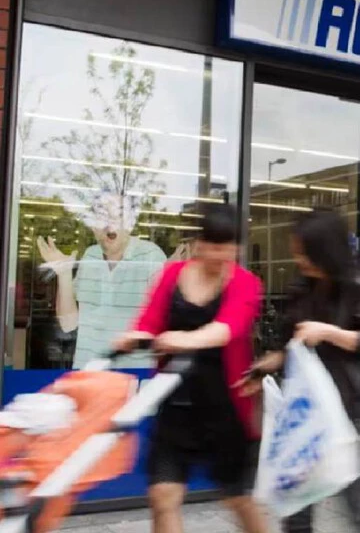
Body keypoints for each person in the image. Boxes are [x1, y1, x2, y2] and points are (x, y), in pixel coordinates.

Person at [113, 203, 268, 533]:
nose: (219, 254)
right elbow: (149, 322)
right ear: (199, 244)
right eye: (213, 246)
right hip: (175, 406)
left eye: (227, 247)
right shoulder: (172, 275)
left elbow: (228, 328)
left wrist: (182, 340)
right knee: (163, 496)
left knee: (237, 498)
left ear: (237, 248)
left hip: (225, 410)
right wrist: (133, 337)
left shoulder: (246, 283)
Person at [241, 208, 360, 533]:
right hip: (307, 414)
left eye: (304, 252)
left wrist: (327, 332)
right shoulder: (302, 289)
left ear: (326, 250)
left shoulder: (359, 287)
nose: (299, 259)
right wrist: (267, 366)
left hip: (350, 413)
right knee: (296, 510)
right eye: (296, 251)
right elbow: (291, 346)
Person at [36, 193, 172, 369]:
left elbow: (164, 322)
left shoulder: (151, 256)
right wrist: (64, 273)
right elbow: (68, 324)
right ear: (93, 227)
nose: (109, 223)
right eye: (101, 216)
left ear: (129, 224)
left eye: (117, 215)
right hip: (88, 369)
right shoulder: (90, 256)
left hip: (135, 372)